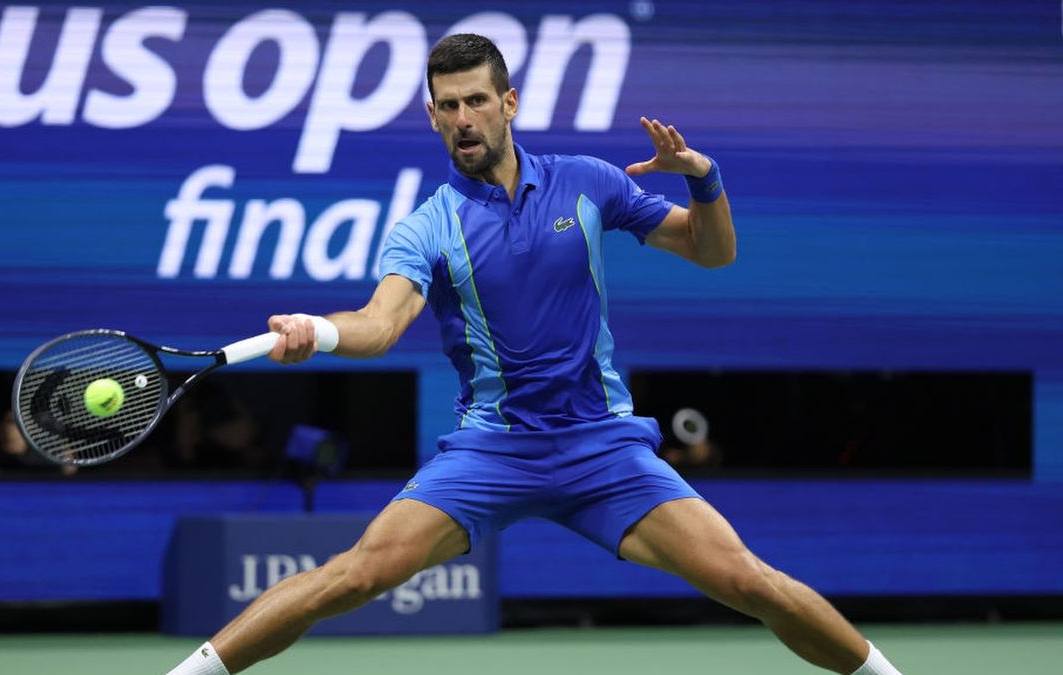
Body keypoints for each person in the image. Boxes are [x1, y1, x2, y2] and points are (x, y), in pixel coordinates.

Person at [169, 34, 901, 675]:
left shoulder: (589, 183)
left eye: (476, 101)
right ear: (431, 116)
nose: (462, 119)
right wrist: (317, 329)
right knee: (354, 575)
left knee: (749, 581)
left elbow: (713, 251)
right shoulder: (428, 226)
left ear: (509, 102)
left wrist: (702, 178)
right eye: (447, 106)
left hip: (602, 449)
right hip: (494, 453)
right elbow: (379, 323)